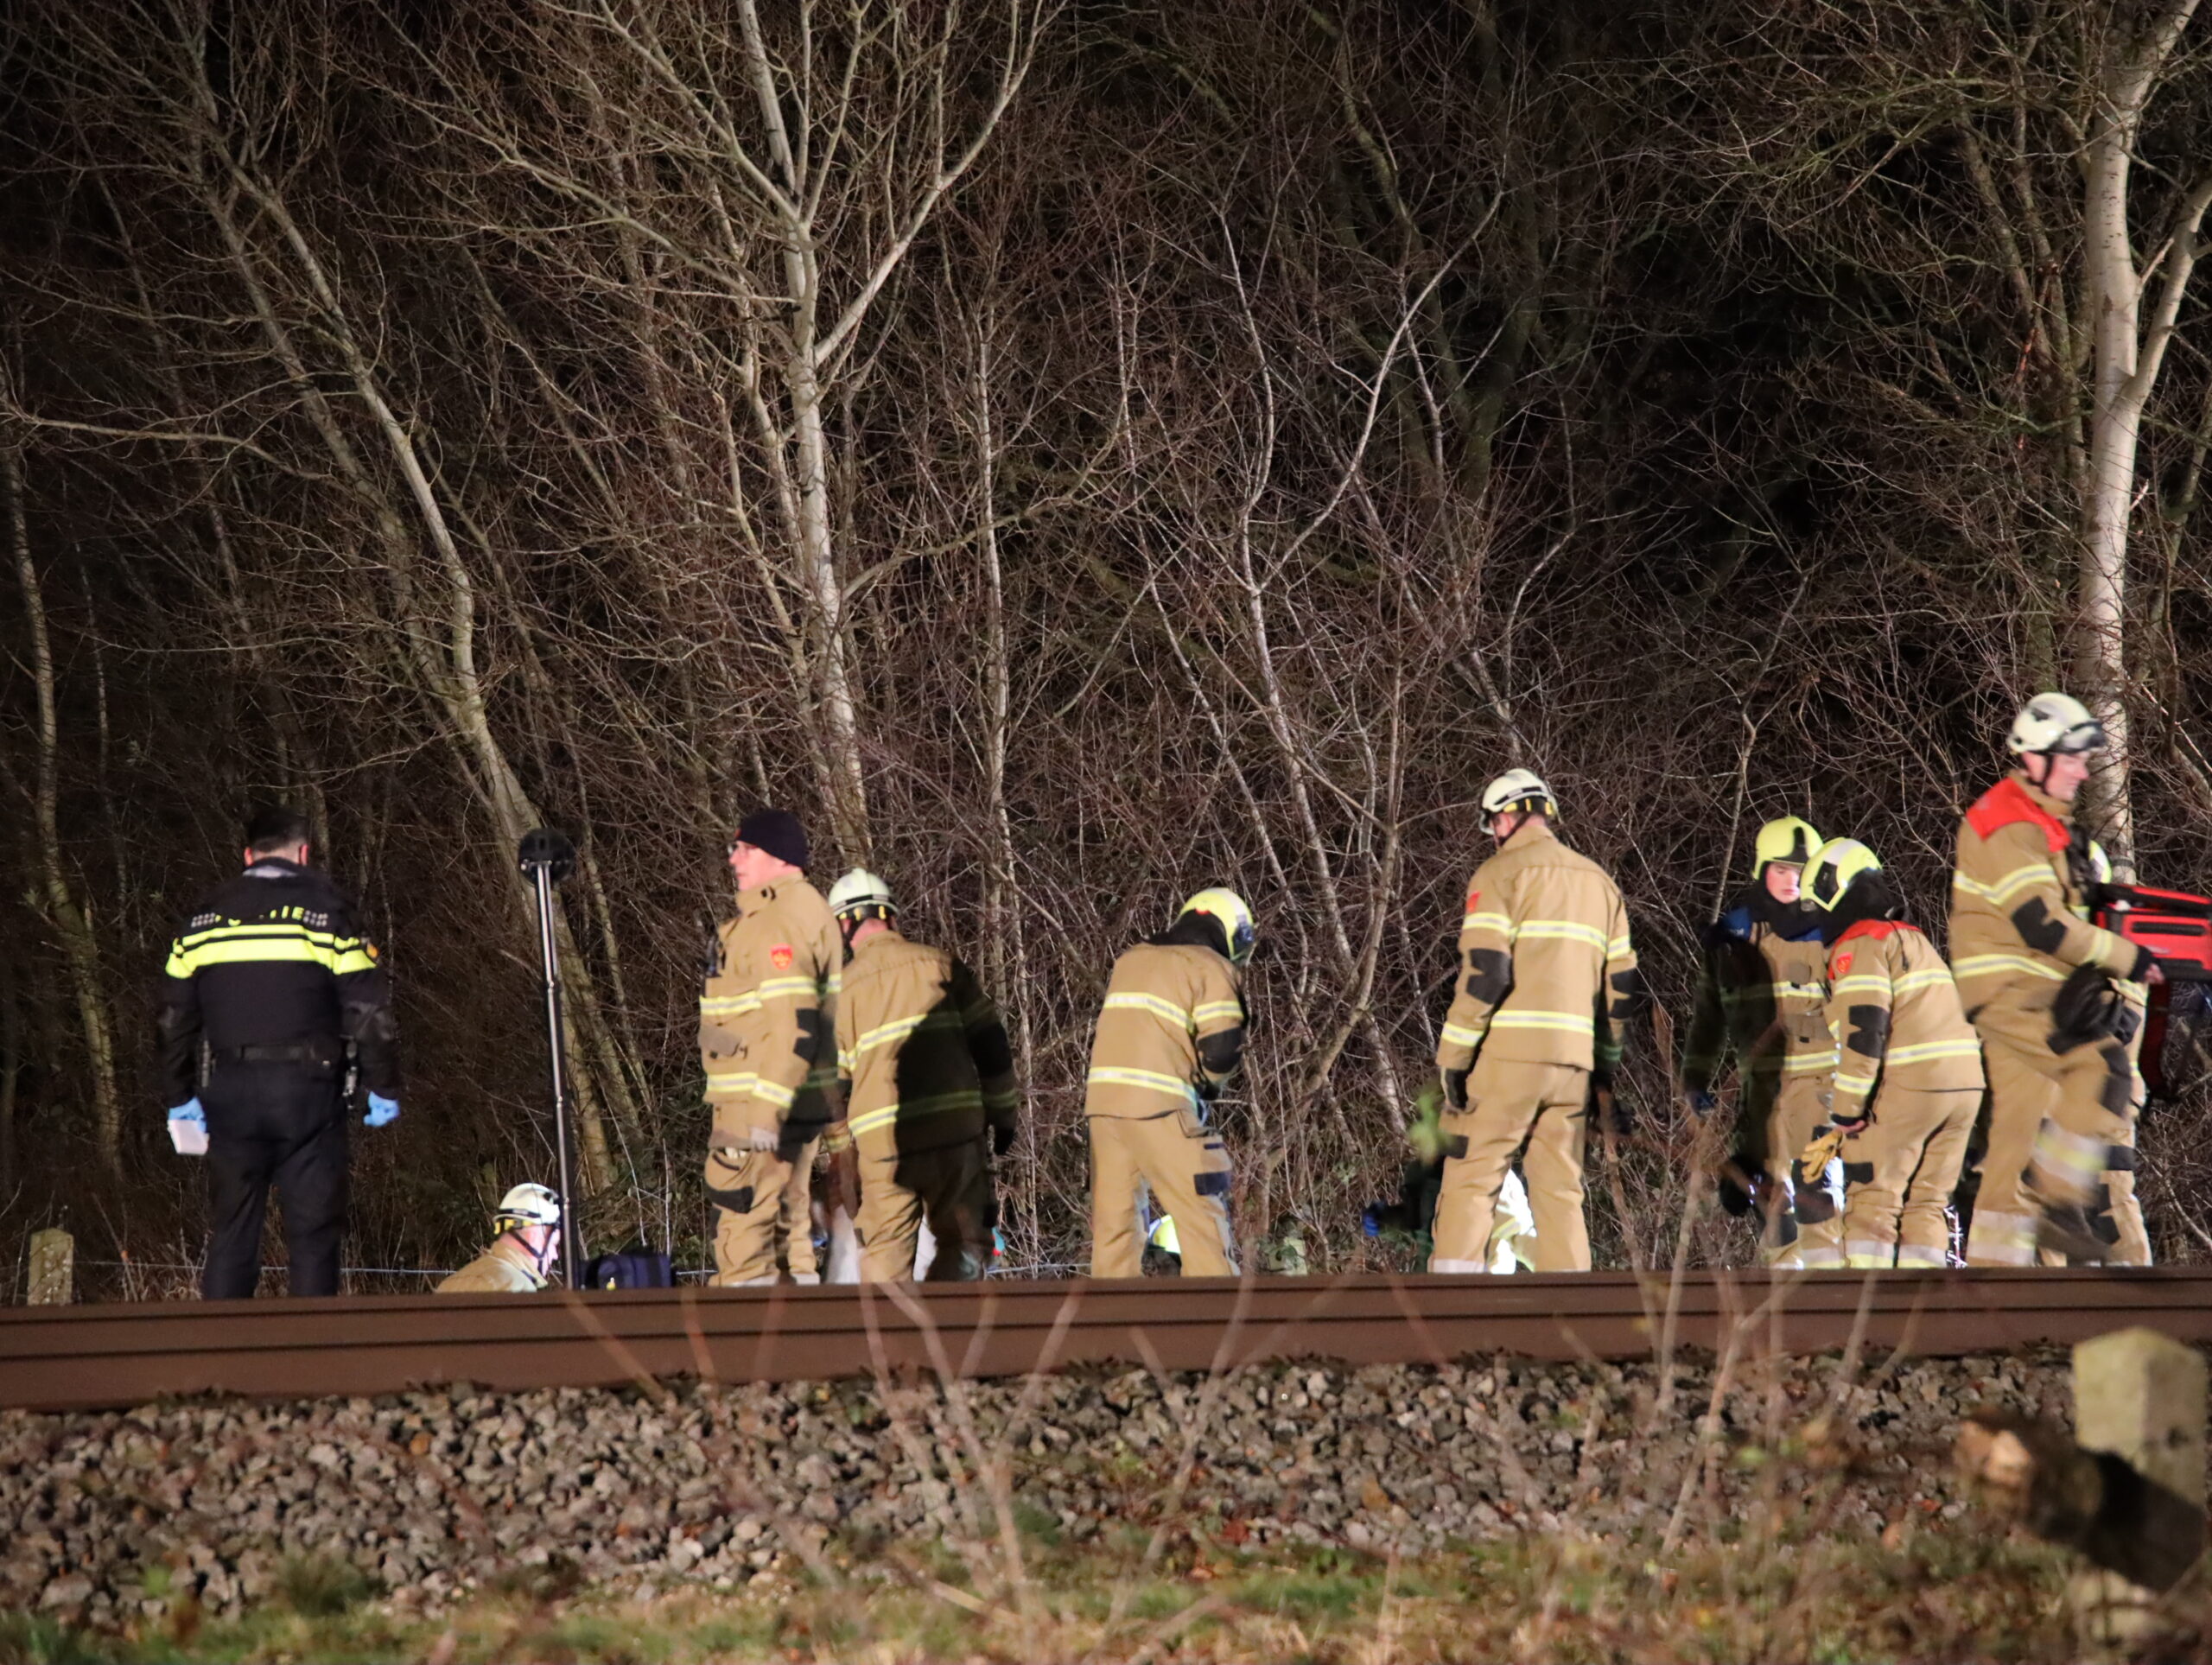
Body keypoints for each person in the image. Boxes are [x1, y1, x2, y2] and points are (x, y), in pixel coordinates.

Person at [1950, 694, 2161, 1266]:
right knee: (2101, 1067)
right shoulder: (2012, 824)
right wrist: (2128, 959)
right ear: (2036, 756)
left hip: (2018, 992)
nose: (2083, 769)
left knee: (2015, 1141)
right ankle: (2060, 1204)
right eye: (2073, 757)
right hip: (2017, 990)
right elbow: (2042, 924)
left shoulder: (2039, 824)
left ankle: (1998, 1292)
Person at [156, 806, 400, 1300]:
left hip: (230, 1092)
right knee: (312, 1236)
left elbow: (171, 1019)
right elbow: (369, 1012)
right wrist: (384, 1084)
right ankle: (311, 1361)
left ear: (247, 855)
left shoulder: (202, 919)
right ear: (304, 853)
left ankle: (220, 1357)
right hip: (309, 1093)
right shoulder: (326, 912)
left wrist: (177, 1096)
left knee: (232, 1231)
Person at [1431, 770, 1640, 1273]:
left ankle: (1449, 1317)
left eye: (1493, 824)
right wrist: (1604, 1074)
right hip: (1573, 1065)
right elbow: (1621, 992)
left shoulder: (1499, 875)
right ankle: (1571, 1323)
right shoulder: (1601, 884)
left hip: (1508, 1057)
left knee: (1472, 1177)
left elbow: (1486, 976)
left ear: (1505, 817)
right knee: (1561, 1191)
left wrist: (1454, 1058)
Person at [1800, 839, 1984, 1268]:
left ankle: (1872, 1320)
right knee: (1928, 1204)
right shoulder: (1914, 942)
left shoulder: (1861, 944)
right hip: (1965, 1091)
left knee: (1873, 1201)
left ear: (1835, 889)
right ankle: (1925, 1315)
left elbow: (1865, 1034)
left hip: (1910, 1087)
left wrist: (1846, 1114)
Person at [827, 868, 1017, 1282]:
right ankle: (946, 1328)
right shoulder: (942, 966)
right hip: (955, 1134)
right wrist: (1004, 1115)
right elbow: (992, 1045)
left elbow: (829, 1090)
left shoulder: (839, 994)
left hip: (885, 1146)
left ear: (844, 927)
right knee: (967, 1243)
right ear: (891, 917)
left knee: (884, 1255)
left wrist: (843, 1159)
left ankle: (893, 1342)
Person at [1680, 816, 1841, 1266]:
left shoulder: (1834, 933)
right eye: (1782, 869)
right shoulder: (1731, 940)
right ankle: (1785, 1304)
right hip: (1761, 1091)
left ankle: (1833, 1300)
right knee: (1770, 1206)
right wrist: (1694, 1079)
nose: (1792, 881)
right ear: (1761, 871)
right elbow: (1708, 1016)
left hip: (1820, 1079)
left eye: (1801, 871)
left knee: (1818, 1190)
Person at [699, 809, 842, 1285]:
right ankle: (800, 1344)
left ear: (777, 857)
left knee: (745, 1231)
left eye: (746, 849)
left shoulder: (777, 921)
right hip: (788, 1099)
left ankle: (747, 1346)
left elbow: (792, 1023)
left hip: (756, 1106)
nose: (733, 857)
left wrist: (766, 1106)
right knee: (788, 1228)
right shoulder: (793, 913)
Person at [1085, 889, 1255, 1278]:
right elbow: (1222, 1049)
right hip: (1161, 1108)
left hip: (1103, 1110)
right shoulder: (1210, 967)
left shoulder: (1131, 959)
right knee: (1200, 1215)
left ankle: (1109, 1330)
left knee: (1115, 1231)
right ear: (1231, 933)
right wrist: (1208, 1086)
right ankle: (1218, 1323)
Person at [437, 1183, 563, 1293]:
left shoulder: (453, 1281)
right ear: (534, 1237)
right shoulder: (518, 1288)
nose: (555, 1255)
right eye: (554, 1244)